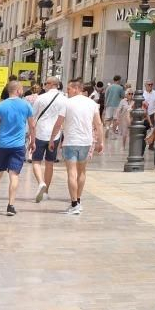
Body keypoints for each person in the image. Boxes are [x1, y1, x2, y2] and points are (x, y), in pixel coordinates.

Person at [0, 80, 33, 216]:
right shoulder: (26, 105)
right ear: (18, 90)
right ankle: (11, 205)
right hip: (18, 146)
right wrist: (32, 140)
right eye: (22, 89)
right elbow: (32, 125)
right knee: (14, 175)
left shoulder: (1, 106)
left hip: (2, 145)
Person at [58, 78, 104, 216]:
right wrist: (101, 142)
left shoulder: (66, 103)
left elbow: (58, 122)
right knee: (82, 171)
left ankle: (74, 204)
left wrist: (52, 139)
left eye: (69, 89)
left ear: (77, 89)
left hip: (71, 141)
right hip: (86, 142)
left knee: (72, 172)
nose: (67, 92)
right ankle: (78, 200)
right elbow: (98, 124)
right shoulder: (92, 104)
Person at [27, 76, 66, 203]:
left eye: (45, 83)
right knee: (50, 163)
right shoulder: (64, 99)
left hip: (40, 133)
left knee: (36, 161)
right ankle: (46, 191)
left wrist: (30, 134)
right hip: (55, 135)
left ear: (50, 84)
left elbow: (32, 117)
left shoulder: (41, 98)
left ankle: (41, 182)